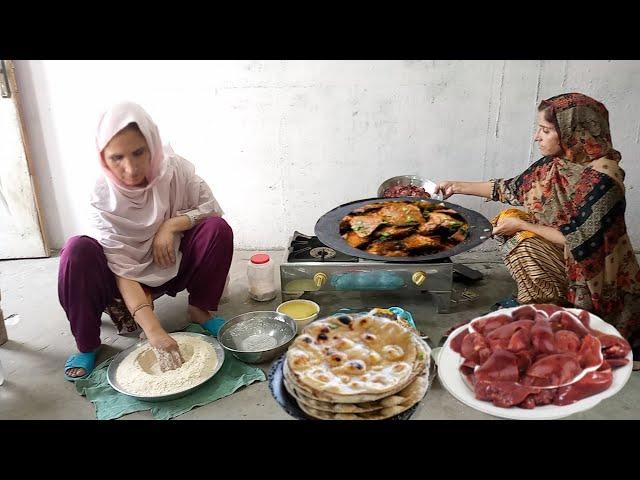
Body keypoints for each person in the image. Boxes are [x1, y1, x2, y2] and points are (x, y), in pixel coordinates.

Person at [436, 92, 640, 348]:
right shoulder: (556, 164)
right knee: (512, 219)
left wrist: (523, 226)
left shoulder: (603, 180)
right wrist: (455, 185)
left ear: (572, 132)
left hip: (594, 273)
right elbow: (511, 188)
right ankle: (540, 300)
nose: (536, 137)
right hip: (564, 254)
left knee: (521, 238)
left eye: (545, 130)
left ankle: (552, 312)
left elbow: (577, 239)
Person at [59, 102, 233, 380]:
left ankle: (200, 310)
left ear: (152, 145)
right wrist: (153, 329)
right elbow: (123, 269)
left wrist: (171, 225)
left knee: (217, 228)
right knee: (75, 251)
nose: (130, 168)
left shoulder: (173, 171)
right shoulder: (102, 197)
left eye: (139, 152)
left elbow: (210, 207)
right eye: (117, 158)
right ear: (103, 158)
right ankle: (87, 344)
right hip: (124, 281)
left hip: (171, 261)